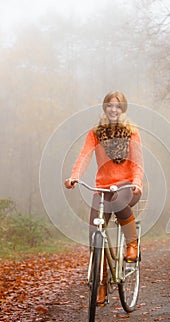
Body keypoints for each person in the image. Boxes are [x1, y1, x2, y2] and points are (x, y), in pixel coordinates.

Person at [64, 90, 144, 305]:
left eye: (118, 106)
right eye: (110, 105)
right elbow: (84, 156)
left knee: (119, 201)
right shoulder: (95, 133)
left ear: (123, 109)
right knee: (94, 234)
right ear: (104, 107)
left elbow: (137, 163)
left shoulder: (132, 132)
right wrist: (74, 176)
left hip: (128, 186)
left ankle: (132, 244)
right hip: (103, 189)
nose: (113, 109)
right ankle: (100, 285)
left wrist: (136, 182)